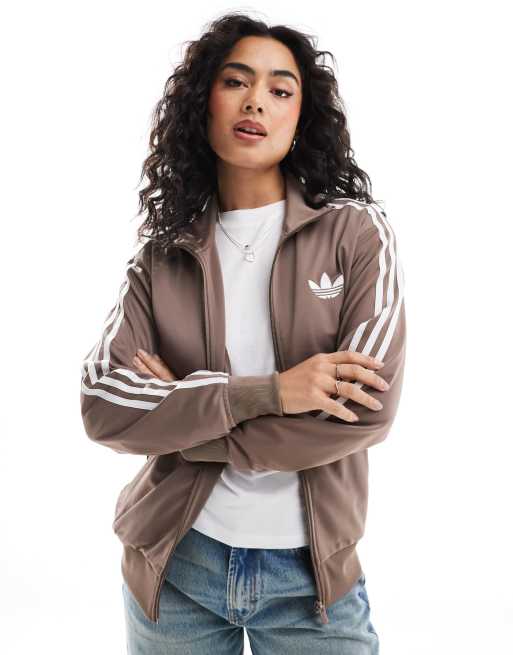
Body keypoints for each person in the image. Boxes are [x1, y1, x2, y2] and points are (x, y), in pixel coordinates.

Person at [80, 11, 407, 654]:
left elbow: (367, 409)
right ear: (203, 104)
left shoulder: (355, 234)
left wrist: (185, 424)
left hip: (312, 581)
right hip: (176, 570)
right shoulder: (161, 257)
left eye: (281, 90)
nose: (256, 100)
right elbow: (103, 404)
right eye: (235, 82)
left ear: (301, 119)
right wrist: (272, 393)